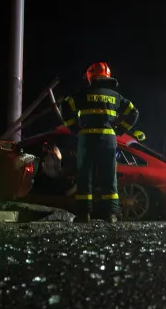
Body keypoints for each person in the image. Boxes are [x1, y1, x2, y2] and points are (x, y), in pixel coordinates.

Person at [59, 62, 139, 223]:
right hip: (108, 139)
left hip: (87, 138)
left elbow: (65, 105)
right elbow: (134, 112)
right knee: (109, 176)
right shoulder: (115, 96)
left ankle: (84, 214)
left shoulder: (82, 94)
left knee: (84, 175)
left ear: (90, 77)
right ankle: (112, 214)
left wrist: (74, 128)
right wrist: (120, 129)